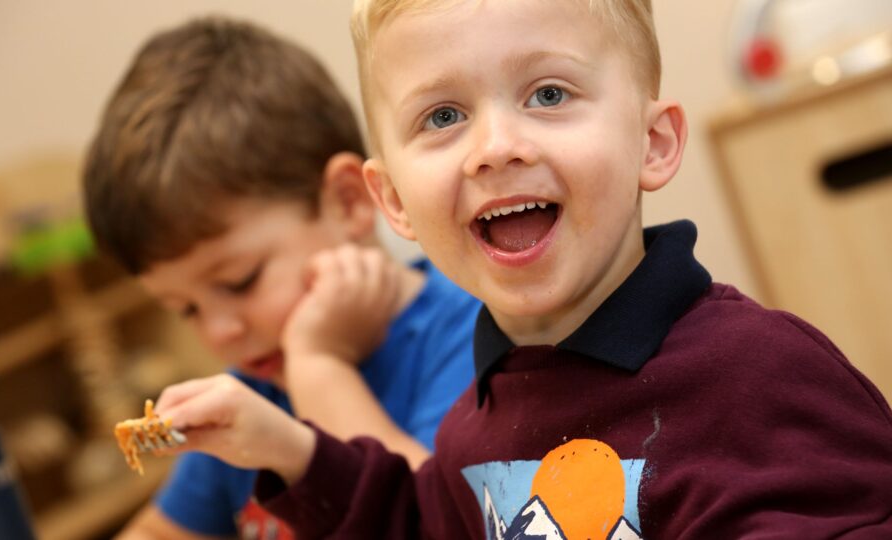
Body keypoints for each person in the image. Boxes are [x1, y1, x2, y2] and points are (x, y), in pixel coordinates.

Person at [151, 1, 892, 538]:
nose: (496, 146)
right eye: (442, 116)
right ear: (394, 202)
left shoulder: (759, 375)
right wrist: (279, 446)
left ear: (653, 143)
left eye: (548, 94)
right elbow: (423, 524)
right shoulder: (482, 421)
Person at [81, 16, 480, 539]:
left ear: (347, 200)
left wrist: (320, 364)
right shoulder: (253, 390)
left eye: (240, 281)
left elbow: (436, 519)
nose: (219, 332)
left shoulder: (475, 331)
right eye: (186, 309)